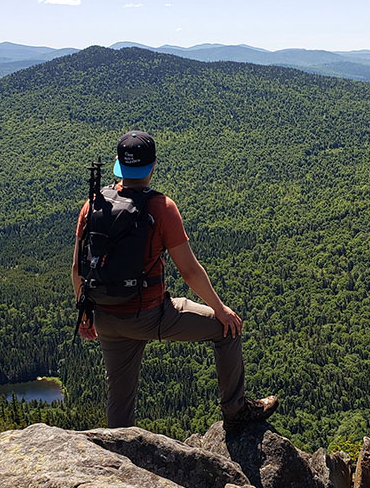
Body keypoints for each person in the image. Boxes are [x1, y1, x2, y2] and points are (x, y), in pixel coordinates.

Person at [72, 130, 277, 429]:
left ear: (118, 165)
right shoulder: (161, 208)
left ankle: (116, 454)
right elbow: (190, 271)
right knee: (226, 330)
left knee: (119, 396)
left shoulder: (93, 205)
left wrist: (84, 313)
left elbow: (78, 268)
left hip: (105, 317)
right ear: (153, 166)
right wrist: (221, 310)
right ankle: (235, 411)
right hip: (149, 314)